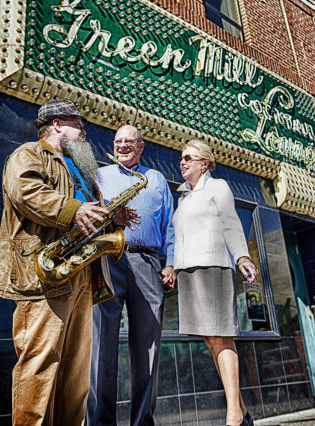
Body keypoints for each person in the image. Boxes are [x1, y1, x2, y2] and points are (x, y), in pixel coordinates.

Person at [0, 98, 138, 426]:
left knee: (76, 377)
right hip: (44, 277)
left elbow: (89, 217)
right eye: (78, 124)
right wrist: (73, 210)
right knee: (40, 366)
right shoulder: (28, 154)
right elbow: (27, 193)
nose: (84, 131)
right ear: (58, 124)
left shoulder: (79, 167)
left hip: (81, 275)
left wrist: (112, 218)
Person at [87, 124, 175, 426]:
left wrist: (170, 263)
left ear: (141, 146)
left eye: (129, 141)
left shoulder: (157, 178)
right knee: (101, 344)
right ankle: (100, 422)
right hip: (108, 260)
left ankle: (142, 422)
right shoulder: (100, 175)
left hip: (148, 263)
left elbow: (170, 226)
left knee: (148, 347)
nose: (122, 145)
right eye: (117, 141)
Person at [172, 139, 258, 426]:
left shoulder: (218, 187)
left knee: (221, 337)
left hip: (213, 267)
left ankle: (233, 415)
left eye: (189, 158)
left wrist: (242, 257)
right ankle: (242, 412)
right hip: (189, 271)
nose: (182, 161)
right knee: (211, 341)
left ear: (204, 163)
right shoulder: (183, 197)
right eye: (181, 158)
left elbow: (231, 222)